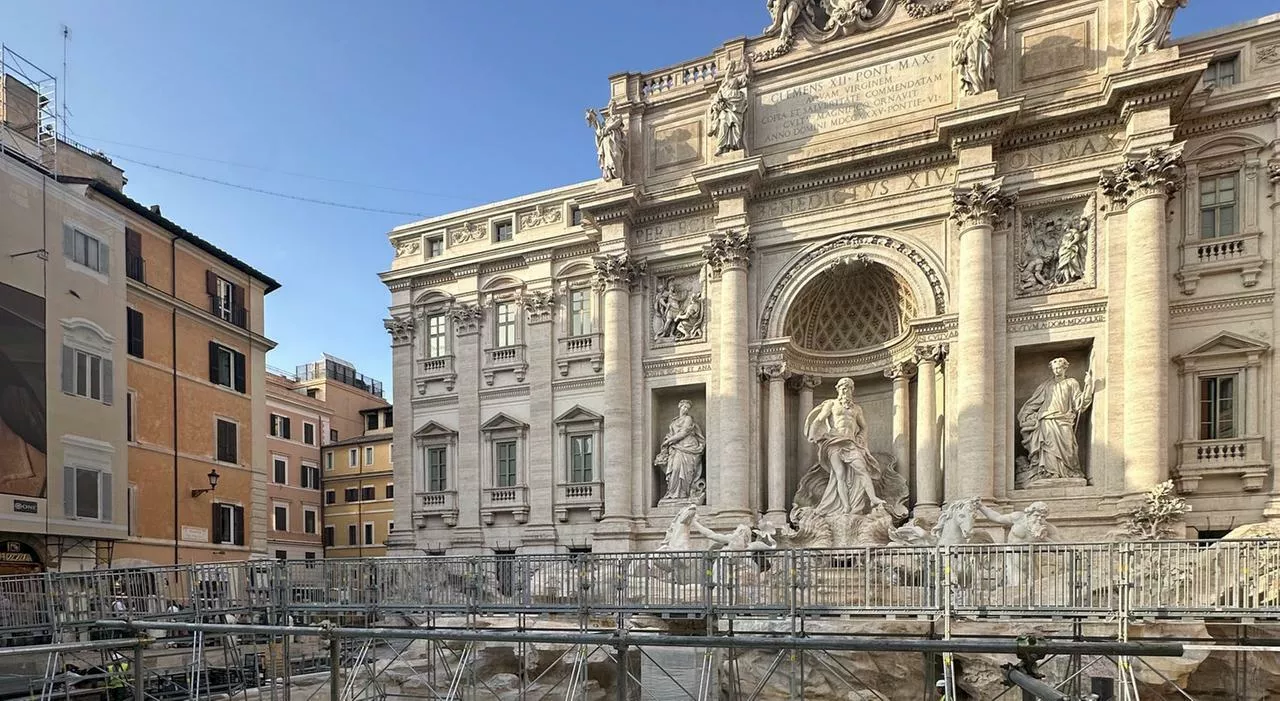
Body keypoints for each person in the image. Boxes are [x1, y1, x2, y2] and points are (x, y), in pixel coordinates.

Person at [798, 378, 902, 515]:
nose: (845, 390)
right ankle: (846, 507)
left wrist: (860, 438)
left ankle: (873, 498)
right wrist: (813, 434)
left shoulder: (857, 409)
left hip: (850, 442)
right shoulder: (832, 404)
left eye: (847, 388)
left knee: (862, 469)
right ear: (838, 389)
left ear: (852, 390)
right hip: (834, 442)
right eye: (842, 388)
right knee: (839, 474)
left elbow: (864, 427)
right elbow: (819, 419)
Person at [1016, 358, 1095, 485]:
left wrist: (1089, 385)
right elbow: (1033, 403)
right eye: (1055, 369)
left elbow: (1079, 403)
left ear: (1065, 368)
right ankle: (1049, 473)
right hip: (1046, 420)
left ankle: (1068, 472)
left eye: (1059, 368)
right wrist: (1026, 415)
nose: (1057, 371)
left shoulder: (1071, 383)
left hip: (1064, 420)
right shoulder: (1046, 385)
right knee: (1048, 449)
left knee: (1068, 448)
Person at [952, 0, 1009, 95]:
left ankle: (985, 87)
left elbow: (999, 6)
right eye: (970, 6)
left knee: (986, 65)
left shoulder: (986, 14)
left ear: (977, 4)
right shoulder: (969, 24)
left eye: (972, 5)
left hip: (983, 45)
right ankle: (976, 88)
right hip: (970, 47)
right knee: (972, 67)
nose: (971, 8)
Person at [656, 401, 706, 501]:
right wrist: (667, 440)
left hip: (688, 446)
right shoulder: (674, 422)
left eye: (687, 408)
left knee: (685, 471)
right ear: (679, 407)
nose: (685, 409)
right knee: (675, 469)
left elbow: (684, 432)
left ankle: (684, 494)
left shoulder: (688, 419)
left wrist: (669, 441)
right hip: (676, 448)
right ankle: (673, 493)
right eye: (684, 407)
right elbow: (671, 434)